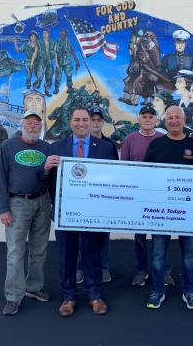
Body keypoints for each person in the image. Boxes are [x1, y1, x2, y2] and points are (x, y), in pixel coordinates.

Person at [44, 106, 117, 316]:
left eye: (85, 119)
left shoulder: (105, 148)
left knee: (92, 254)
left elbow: (115, 179)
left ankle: (94, 295)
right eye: (77, 120)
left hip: (93, 211)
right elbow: (46, 181)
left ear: (91, 122)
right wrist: (46, 168)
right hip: (66, 213)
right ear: (70, 122)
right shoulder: (56, 147)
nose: (82, 123)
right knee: (67, 255)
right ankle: (69, 297)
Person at [144, 106, 193, 310]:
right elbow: (144, 174)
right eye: (170, 117)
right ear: (165, 121)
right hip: (160, 211)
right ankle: (157, 291)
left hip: (186, 212)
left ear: (184, 120)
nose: (174, 121)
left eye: (177, 117)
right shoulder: (156, 145)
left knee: (190, 254)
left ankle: (190, 292)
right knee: (158, 254)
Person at [0, 110, 52, 316]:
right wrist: (4, 208)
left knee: (39, 250)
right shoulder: (7, 147)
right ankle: (13, 295)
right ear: (21, 125)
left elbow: (49, 178)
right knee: (15, 252)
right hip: (18, 203)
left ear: (40, 127)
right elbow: (1, 178)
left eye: (36, 123)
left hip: (42, 202)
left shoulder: (46, 148)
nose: (32, 126)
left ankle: (34, 287)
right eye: (28, 122)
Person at [120, 105, 175, 287]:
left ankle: (165, 271)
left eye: (151, 116)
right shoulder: (130, 139)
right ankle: (142, 270)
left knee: (162, 234)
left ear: (156, 120)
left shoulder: (163, 138)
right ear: (139, 119)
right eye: (144, 116)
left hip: (159, 195)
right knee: (140, 237)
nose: (148, 119)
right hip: (137, 196)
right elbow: (124, 167)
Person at [76, 107, 118, 285]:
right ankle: (80, 268)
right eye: (92, 119)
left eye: (98, 120)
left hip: (103, 199)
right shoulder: (78, 143)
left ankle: (103, 266)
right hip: (83, 198)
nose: (95, 122)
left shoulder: (109, 145)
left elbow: (116, 171)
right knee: (81, 235)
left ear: (102, 122)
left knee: (103, 235)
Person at [54, 29, 80, 94]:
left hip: (67, 62)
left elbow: (72, 51)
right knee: (58, 77)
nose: (63, 35)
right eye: (62, 34)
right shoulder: (57, 41)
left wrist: (77, 61)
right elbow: (56, 53)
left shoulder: (69, 42)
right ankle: (56, 89)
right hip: (60, 62)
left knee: (69, 75)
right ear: (60, 34)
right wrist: (56, 63)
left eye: (64, 34)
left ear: (66, 34)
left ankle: (70, 88)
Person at [35, 29, 56, 97]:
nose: (45, 34)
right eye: (44, 33)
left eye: (46, 33)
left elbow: (54, 51)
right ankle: (36, 88)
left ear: (49, 33)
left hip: (49, 60)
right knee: (40, 74)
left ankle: (47, 89)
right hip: (42, 60)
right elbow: (36, 50)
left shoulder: (52, 41)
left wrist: (51, 55)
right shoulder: (39, 41)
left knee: (50, 74)